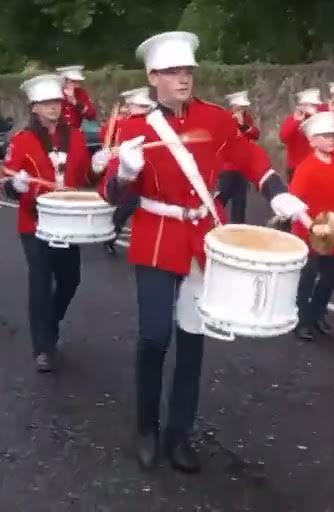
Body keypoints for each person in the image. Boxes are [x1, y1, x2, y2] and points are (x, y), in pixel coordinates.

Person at [99, 31, 309, 474]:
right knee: (155, 336)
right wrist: (125, 173)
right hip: (156, 237)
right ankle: (145, 428)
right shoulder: (136, 129)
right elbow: (111, 194)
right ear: (153, 76)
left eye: (188, 70)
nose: (183, 78)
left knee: (193, 341)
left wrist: (278, 193)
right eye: (173, 71)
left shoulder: (214, 119)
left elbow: (248, 154)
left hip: (201, 237)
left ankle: (179, 433)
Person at [1, 74, 93, 372]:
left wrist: (100, 167)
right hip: (35, 222)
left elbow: (87, 178)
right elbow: (5, 181)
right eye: (45, 103)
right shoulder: (22, 140)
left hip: (69, 222)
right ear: (34, 108)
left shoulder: (77, 136)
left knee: (70, 280)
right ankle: (42, 347)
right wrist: (17, 184)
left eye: (55, 101)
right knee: (40, 282)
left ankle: (50, 323)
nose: (52, 107)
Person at [289, 111, 334, 341]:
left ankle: (317, 312)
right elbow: (295, 203)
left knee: (331, 276)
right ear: (312, 140)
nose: (332, 139)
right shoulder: (305, 168)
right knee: (307, 277)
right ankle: (302, 320)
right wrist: (311, 227)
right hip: (309, 233)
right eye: (325, 136)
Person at [94, 87, 155, 256]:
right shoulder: (126, 123)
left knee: (130, 207)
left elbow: (106, 137)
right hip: (133, 170)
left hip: (135, 170)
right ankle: (113, 237)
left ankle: (112, 237)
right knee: (130, 206)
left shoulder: (132, 123)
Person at [218, 90, 259, 223]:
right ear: (233, 106)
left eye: (244, 107)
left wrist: (244, 126)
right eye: (240, 107)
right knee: (221, 199)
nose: (243, 109)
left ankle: (238, 229)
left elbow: (255, 134)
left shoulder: (247, 119)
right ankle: (210, 222)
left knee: (240, 203)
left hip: (243, 168)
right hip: (228, 168)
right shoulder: (225, 118)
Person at [279, 88, 322, 181]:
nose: (315, 108)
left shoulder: (320, 121)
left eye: (316, 105)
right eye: (312, 105)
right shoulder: (292, 120)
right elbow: (284, 137)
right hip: (296, 167)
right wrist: (296, 122)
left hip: (316, 166)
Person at [57, 64, 98, 129]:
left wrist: (75, 102)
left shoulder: (80, 93)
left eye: (77, 81)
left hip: (76, 132)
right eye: (73, 81)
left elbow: (92, 115)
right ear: (64, 81)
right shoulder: (55, 93)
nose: (77, 84)